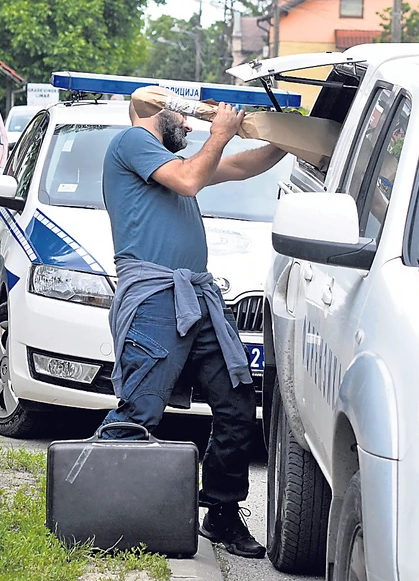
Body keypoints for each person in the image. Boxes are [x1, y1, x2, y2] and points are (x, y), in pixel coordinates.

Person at [98, 91, 287, 559]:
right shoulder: (132, 143)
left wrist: (286, 137)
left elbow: (243, 167)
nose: (189, 122)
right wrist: (219, 133)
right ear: (154, 112)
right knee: (139, 411)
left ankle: (220, 514)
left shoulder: (174, 159)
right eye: (181, 112)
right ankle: (97, 510)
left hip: (197, 299)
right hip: (155, 299)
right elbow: (187, 181)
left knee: (238, 401)